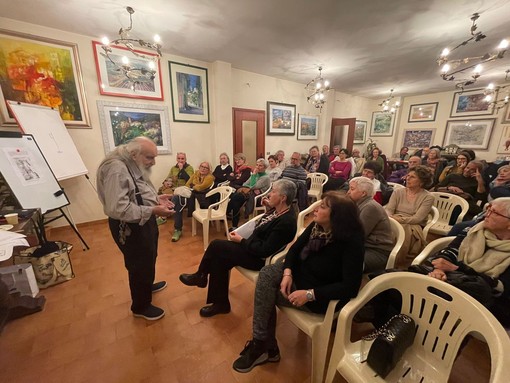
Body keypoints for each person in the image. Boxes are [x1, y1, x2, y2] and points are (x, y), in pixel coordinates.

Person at [232, 193, 365, 373]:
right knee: (266, 274)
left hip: (318, 295)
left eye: (323, 207)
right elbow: (294, 250)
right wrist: (287, 273)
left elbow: (350, 287)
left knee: (264, 291)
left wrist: (309, 294)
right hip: (299, 276)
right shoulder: (317, 226)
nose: (315, 209)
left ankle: (262, 345)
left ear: (337, 216)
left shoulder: (352, 241)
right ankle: (265, 345)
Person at [179, 179, 297, 318]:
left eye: (273, 191)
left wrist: (241, 240)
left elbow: (264, 250)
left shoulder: (286, 222)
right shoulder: (278, 211)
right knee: (219, 257)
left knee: (216, 245)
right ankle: (219, 302)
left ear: (283, 198)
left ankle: (201, 276)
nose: (269, 194)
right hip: (252, 248)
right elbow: (267, 227)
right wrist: (268, 208)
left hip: (259, 259)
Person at [96, 137, 175, 321]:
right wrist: (153, 209)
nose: (153, 162)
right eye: (149, 158)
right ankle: (141, 306)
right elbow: (119, 208)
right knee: (139, 263)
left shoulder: (130, 161)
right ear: (134, 154)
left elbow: (138, 189)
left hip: (144, 218)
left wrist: (156, 199)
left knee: (149, 256)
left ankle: (147, 286)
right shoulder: (116, 169)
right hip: (130, 225)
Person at [421, 197, 510, 327]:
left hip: (490, 302)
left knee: (430, 296)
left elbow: (502, 288)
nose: (487, 214)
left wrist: (456, 269)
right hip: (455, 282)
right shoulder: (475, 229)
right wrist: (439, 269)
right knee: (401, 283)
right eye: (488, 209)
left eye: (494, 212)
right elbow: (450, 250)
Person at [385, 165, 434, 264]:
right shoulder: (398, 192)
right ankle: (384, 256)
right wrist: (391, 218)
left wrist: (399, 220)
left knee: (403, 230)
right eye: (408, 176)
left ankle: (395, 261)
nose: (408, 178)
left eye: (412, 177)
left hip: (414, 225)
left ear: (422, 181)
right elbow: (389, 209)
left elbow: (417, 219)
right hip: (394, 219)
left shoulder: (428, 197)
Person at [347, 177, 394, 273]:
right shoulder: (357, 204)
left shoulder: (370, 207)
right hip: (363, 246)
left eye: (352, 189)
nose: (348, 192)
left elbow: (358, 235)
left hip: (376, 251)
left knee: (339, 259)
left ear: (363, 193)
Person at [171, 161, 215, 242]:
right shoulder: (196, 173)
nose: (203, 168)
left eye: (206, 167)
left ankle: (170, 216)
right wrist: (194, 186)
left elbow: (200, 188)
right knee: (176, 198)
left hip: (200, 199)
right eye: (202, 166)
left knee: (176, 200)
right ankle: (177, 229)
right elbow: (187, 184)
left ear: (209, 170)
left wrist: (193, 185)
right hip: (191, 196)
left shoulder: (210, 177)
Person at [227, 158, 270, 229]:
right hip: (249, 194)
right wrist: (252, 187)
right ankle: (234, 226)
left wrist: (253, 177)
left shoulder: (265, 177)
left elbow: (253, 186)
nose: (257, 167)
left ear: (265, 168)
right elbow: (245, 184)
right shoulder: (256, 175)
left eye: (260, 166)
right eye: (257, 165)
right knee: (236, 201)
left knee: (236, 197)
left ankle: (227, 212)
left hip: (259, 198)